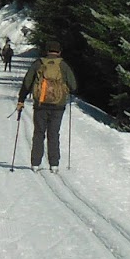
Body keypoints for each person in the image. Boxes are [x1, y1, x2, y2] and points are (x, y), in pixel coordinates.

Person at [15, 40, 78, 172]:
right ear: (59, 52)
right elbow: (73, 86)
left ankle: (35, 163)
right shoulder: (63, 65)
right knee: (54, 133)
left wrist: (21, 99)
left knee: (38, 133)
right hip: (58, 105)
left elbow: (27, 82)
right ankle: (54, 164)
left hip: (40, 104)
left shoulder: (38, 64)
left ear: (46, 50)